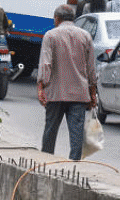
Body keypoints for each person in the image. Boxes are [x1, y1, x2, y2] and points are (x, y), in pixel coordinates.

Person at [38, 4, 97, 160]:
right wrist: (93, 92)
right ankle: (74, 165)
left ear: (57, 18)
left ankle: (46, 161)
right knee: (76, 134)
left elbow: (46, 64)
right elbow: (91, 68)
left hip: (55, 93)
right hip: (78, 94)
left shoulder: (50, 36)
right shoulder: (85, 36)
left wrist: (40, 88)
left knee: (50, 131)